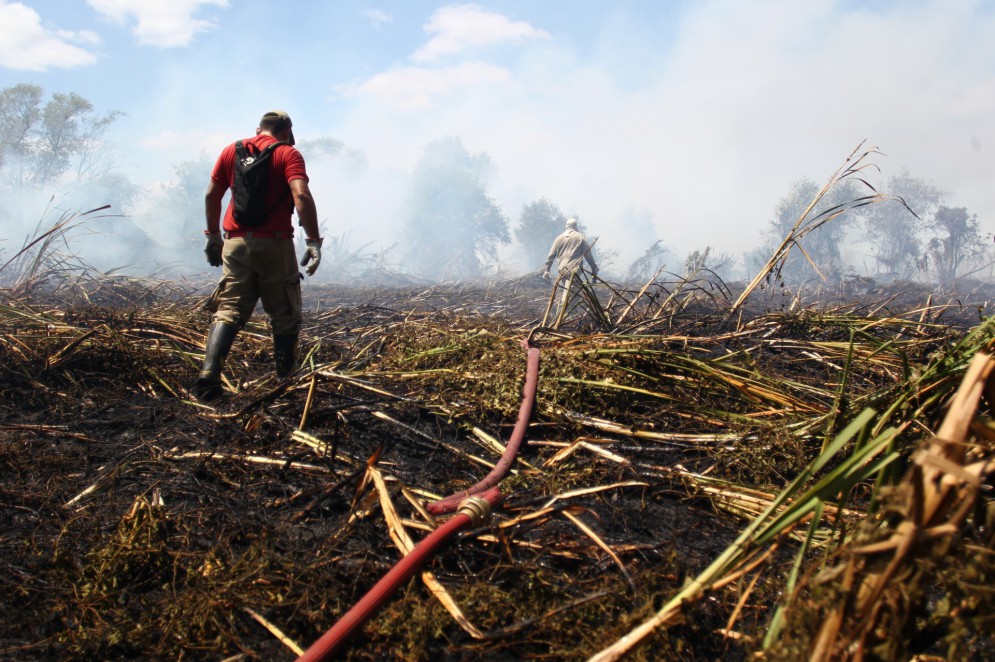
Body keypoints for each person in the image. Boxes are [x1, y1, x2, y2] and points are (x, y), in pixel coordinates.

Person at [194, 110, 323, 400]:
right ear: (288, 131)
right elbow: (300, 195)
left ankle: (209, 373)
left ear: (258, 129)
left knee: (229, 308)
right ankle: (285, 379)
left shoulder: (232, 150)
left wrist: (212, 236)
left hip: (235, 243)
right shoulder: (288, 153)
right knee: (284, 313)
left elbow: (212, 195)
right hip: (275, 245)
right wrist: (313, 240)